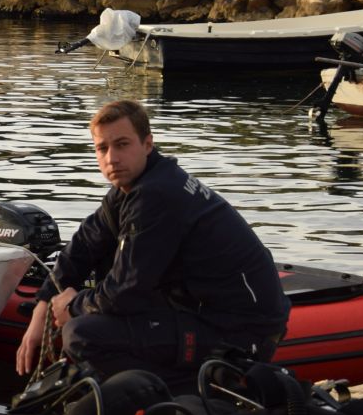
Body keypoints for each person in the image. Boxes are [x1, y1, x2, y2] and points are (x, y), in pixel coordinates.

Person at [17, 99, 290, 391]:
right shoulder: (135, 186)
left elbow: (126, 292)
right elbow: (84, 244)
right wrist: (43, 304)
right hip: (205, 313)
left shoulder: (156, 194)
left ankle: (175, 399)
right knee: (102, 271)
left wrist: (73, 305)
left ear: (147, 144)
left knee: (81, 334)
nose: (112, 158)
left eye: (122, 145)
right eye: (102, 148)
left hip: (237, 330)